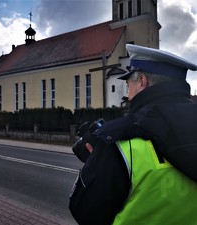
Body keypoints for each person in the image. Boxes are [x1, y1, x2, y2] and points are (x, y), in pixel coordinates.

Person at [69, 44, 197, 225]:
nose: (128, 95)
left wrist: (96, 163)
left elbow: (84, 212)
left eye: (129, 84)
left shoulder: (118, 141)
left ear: (142, 81)